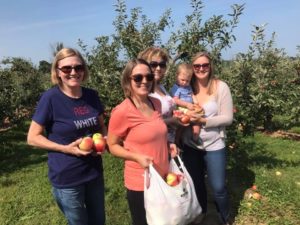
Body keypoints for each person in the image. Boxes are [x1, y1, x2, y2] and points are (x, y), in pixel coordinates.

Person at [27, 48, 106, 225]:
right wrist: (65, 148)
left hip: (94, 172)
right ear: (57, 71)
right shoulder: (50, 98)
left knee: (99, 221)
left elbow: (101, 126)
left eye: (78, 67)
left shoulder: (91, 96)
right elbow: (32, 137)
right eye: (66, 69)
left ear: (84, 70)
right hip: (68, 177)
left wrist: (103, 142)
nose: (73, 72)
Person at [107, 58, 177, 225]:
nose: (144, 81)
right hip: (141, 181)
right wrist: (136, 157)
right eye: (138, 78)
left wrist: (168, 145)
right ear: (127, 80)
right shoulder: (122, 111)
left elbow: (156, 133)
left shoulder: (156, 103)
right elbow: (112, 145)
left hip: (162, 175)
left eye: (148, 77)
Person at [181, 51, 233, 225]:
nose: (201, 69)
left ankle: (225, 218)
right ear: (192, 68)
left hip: (214, 144)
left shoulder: (220, 87)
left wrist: (203, 120)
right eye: (197, 66)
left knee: (218, 187)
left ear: (210, 67)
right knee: (196, 185)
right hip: (190, 145)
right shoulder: (186, 87)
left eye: (205, 65)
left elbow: (228, 118)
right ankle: (201, 214)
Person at [137, 47, 178, 144]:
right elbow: (144, 125)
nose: (158, 68)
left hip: (170, 143)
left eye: (162, 65)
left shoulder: (161, 87)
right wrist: (173, 121)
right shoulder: (143, 91)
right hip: (155, 144)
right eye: (153, 64)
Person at [170, 63, 201, 143]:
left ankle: (195, 138)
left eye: (187, 81)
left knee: (197, 120)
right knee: (182, 123)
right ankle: (176, 140)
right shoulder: (176, 88)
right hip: (181, 108)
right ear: (177, 76)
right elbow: (175, 100)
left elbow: (192, 95)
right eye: (182, 80)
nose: (184, 82)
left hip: (189, 107)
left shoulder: (188, 86)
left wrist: (196, 102)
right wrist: (187, 104)